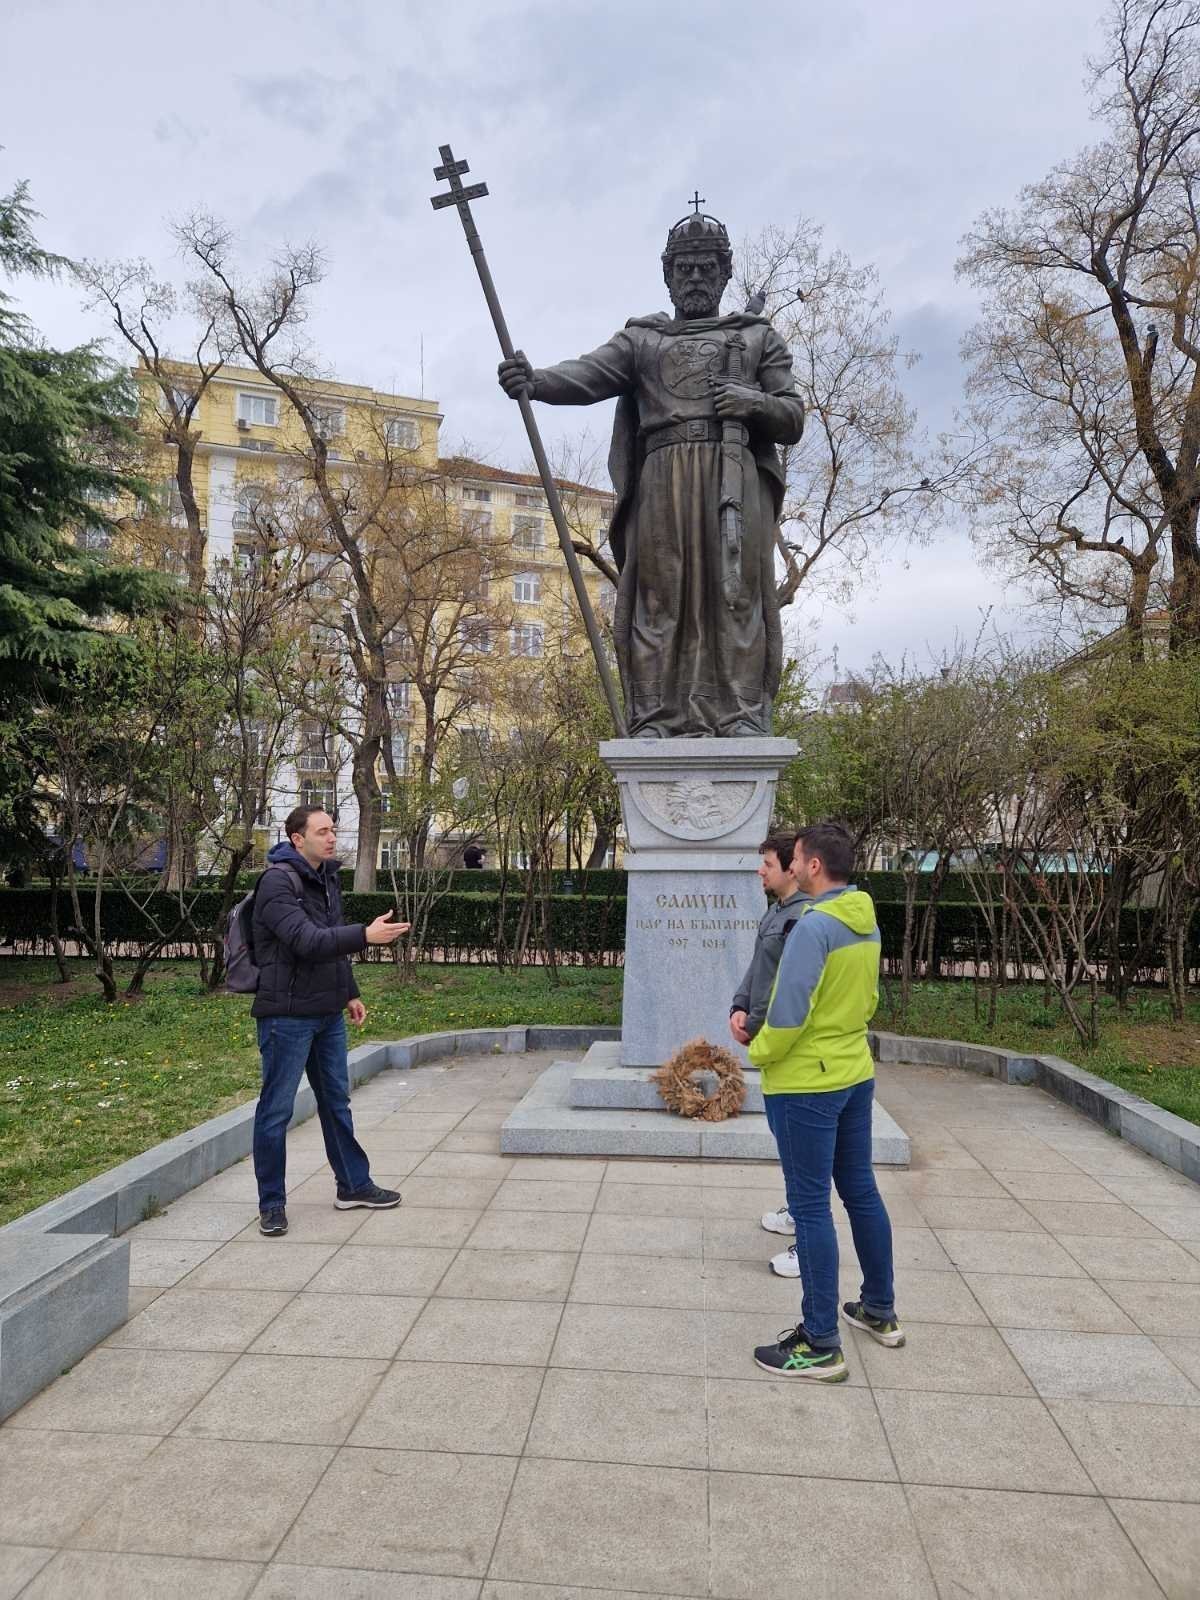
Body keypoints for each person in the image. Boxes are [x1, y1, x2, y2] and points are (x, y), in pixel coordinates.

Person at [498, 208, 805, 738]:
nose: (695, 278)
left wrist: (752, 402)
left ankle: (739, 714)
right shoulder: (643, 340)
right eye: (684, 269)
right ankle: (656, 717)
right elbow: (587, 375)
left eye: (706, 268)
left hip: (732, 477)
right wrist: (536, 380)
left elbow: (792, 418)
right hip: (663, 478)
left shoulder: (757, 338)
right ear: (668, 275)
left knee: (734, 592)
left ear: (725, 273)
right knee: (659, 596)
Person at [748, 821, 903, 1381]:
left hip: (806, 1084)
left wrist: (759, 1051)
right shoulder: (865, 918)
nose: (790, 867)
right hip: (853, 1073)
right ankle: (879, 1309)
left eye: (795, 859)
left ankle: (819, 1342)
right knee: (860, 1191)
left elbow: (789, 1013)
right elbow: (870, 1000)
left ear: (813, 865)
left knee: (810, 1207)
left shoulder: (814, 926)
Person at [250, 805, 409, 1237]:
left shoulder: (327, 878)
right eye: (322, 831)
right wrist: (365, 935)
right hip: (286, 1016)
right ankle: (272, 1205)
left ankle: (353, 1185)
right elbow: (305, 940)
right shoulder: (276, 882)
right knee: (276, 1111)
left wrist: (349, 991)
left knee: (336, 1102)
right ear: (297, 839)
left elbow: (331, 941)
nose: (332, 837)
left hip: (327, 1013)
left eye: (333, 830)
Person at [729, 830, 809, 1242]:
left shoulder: (804, 917)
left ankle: (803, 1226)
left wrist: (754, 1025)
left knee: (798, 1149)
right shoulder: (775, 911)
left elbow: (784, 983)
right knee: (788, 1142)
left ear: (792, 869)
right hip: (770, 1042)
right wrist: (738, 1005)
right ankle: (796, 1210)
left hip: (789, 1048)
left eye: (768, 864)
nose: (760, 871)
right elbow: (758, 967)